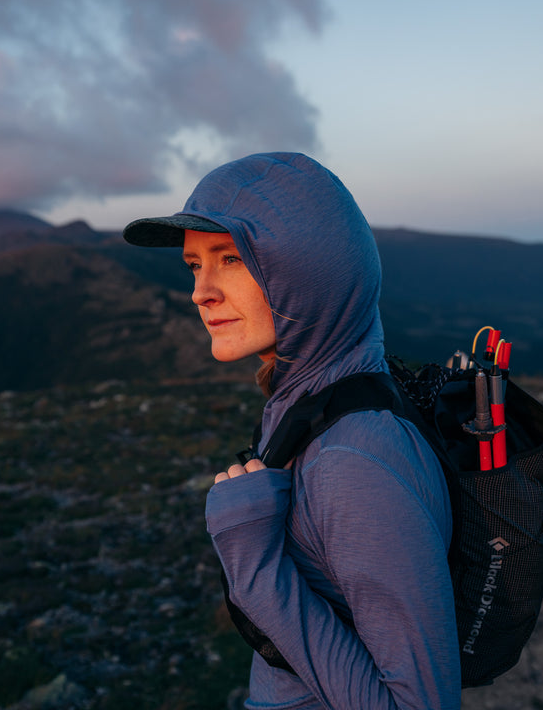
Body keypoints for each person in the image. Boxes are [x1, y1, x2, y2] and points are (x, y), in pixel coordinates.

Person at [123, 152, 460, 709]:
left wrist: (254, 567)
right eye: (193, 265)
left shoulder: (353, 461)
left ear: (307, 271)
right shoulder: (315, 403)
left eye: (230, 259)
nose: (199, 291)